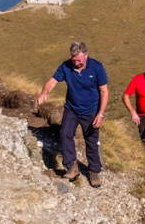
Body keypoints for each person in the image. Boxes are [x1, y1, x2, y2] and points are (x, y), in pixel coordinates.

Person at [36, 40, 108, 188]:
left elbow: (104, 91)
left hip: (91, 111)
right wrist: (44, 92)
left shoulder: (97, 67)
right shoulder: (66, 66)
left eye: (79, 60)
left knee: (91, 141)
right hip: (72, 108)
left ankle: (94, 171)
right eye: (73, 60)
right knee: (65, 134)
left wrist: (100, 114)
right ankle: (71, 167)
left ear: (86, 56)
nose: (76, 63)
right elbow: (52, 82)